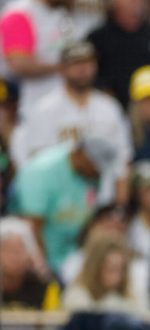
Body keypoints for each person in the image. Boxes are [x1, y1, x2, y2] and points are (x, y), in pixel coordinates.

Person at [8, 41, 132, 175]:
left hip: (104, 188)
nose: (83, 69)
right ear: (62, 69)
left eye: (88, 63)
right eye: (76, 63)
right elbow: (38, 160)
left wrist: (120, 195)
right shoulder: (45, 109)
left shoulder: (109, 107)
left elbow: (122, 157)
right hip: (61, 190)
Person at [9, 135, 120, 275]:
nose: (98, 172)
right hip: (39, 260)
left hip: (70, 256)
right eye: (95, 165)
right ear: (80, 154)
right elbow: (32, 227)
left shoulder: (93, 176)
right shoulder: (41, 171)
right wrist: (44, 270)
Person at [0, 0, 76, 117]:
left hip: (67, 103)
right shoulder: (20, 13)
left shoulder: (63, 11)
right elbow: (19, 64)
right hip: (29, 104)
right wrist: (66, 66)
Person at [62, 232, 149, 314]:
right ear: (95, 269)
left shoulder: (132, 295)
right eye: (111, 269)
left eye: (121, 270)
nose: (117, 276)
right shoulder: (76, 295)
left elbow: (145, 316)